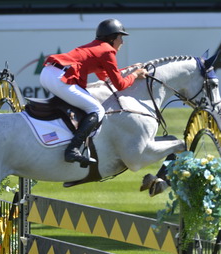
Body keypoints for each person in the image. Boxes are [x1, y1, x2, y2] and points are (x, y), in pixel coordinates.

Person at [40, 18, 148, 166]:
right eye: (120, 37)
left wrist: (130, 70)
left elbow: (104, 75)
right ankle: (72, 149)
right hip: (59, 77)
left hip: (48, 73)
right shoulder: (108, 51)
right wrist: (135, 75)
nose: (122, 42)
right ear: (112, 38)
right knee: (97, 110)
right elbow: (120, 84)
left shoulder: (98, 47)